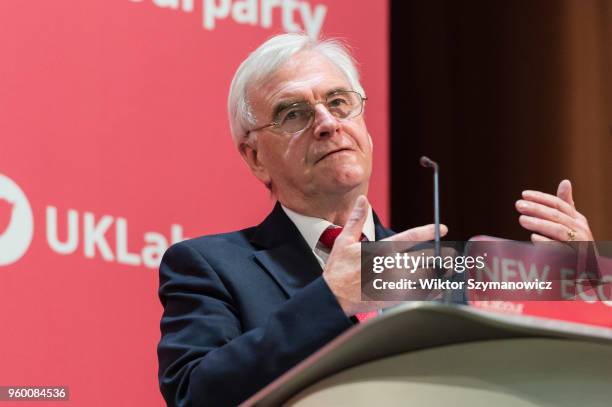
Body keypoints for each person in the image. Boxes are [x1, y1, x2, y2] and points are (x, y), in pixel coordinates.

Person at [157, 33, 594, 407]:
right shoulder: (209, 266)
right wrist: (331, 299)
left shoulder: (442, 269)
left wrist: (582, 285)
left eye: (339, 102)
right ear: (254, 157)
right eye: (294, 113)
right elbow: (196, 392)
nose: (327, 123)